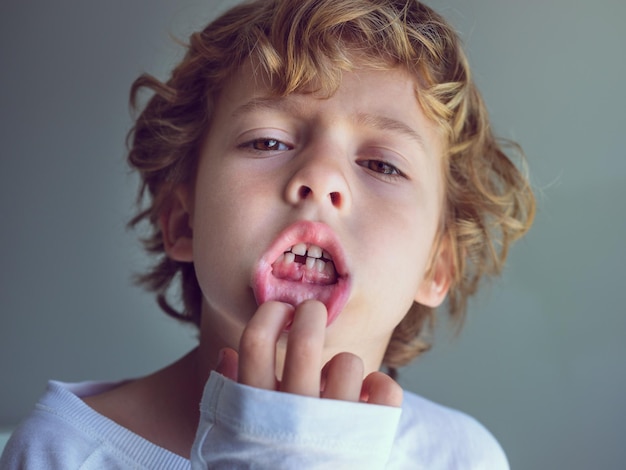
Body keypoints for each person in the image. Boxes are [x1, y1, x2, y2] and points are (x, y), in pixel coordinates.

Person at [1, 0, 535, 468]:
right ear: (184, 222)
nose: (321, 178)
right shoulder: (62, 451)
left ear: (435, 267)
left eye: (382, 165)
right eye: (268, 142)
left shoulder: (464, 457)